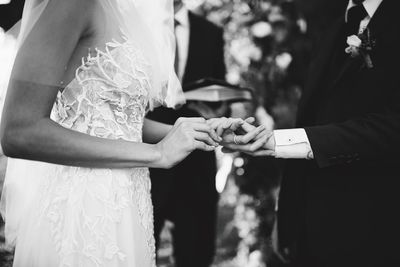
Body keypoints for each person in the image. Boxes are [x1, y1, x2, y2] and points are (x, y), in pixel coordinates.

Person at [0, 0, 231, 266]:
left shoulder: (128, 10)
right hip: (85, 208)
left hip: (131, 199)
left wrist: (195, 131)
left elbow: (118, 120)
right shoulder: (70, 3)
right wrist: (156, 153)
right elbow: (19, 132)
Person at [222, 0, 400, 266]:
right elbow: (314, 115)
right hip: (313, 226)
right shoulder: (335, 24)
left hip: (377, 227)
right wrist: (289, 217)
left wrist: (276, 142)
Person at [147, 1, 227, 266]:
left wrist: (218, 107)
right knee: (140, 249)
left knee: (195, 254)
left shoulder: (211, 32)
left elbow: (219, 87)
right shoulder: (139, 23)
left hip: (196, 164)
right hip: (145, 157)